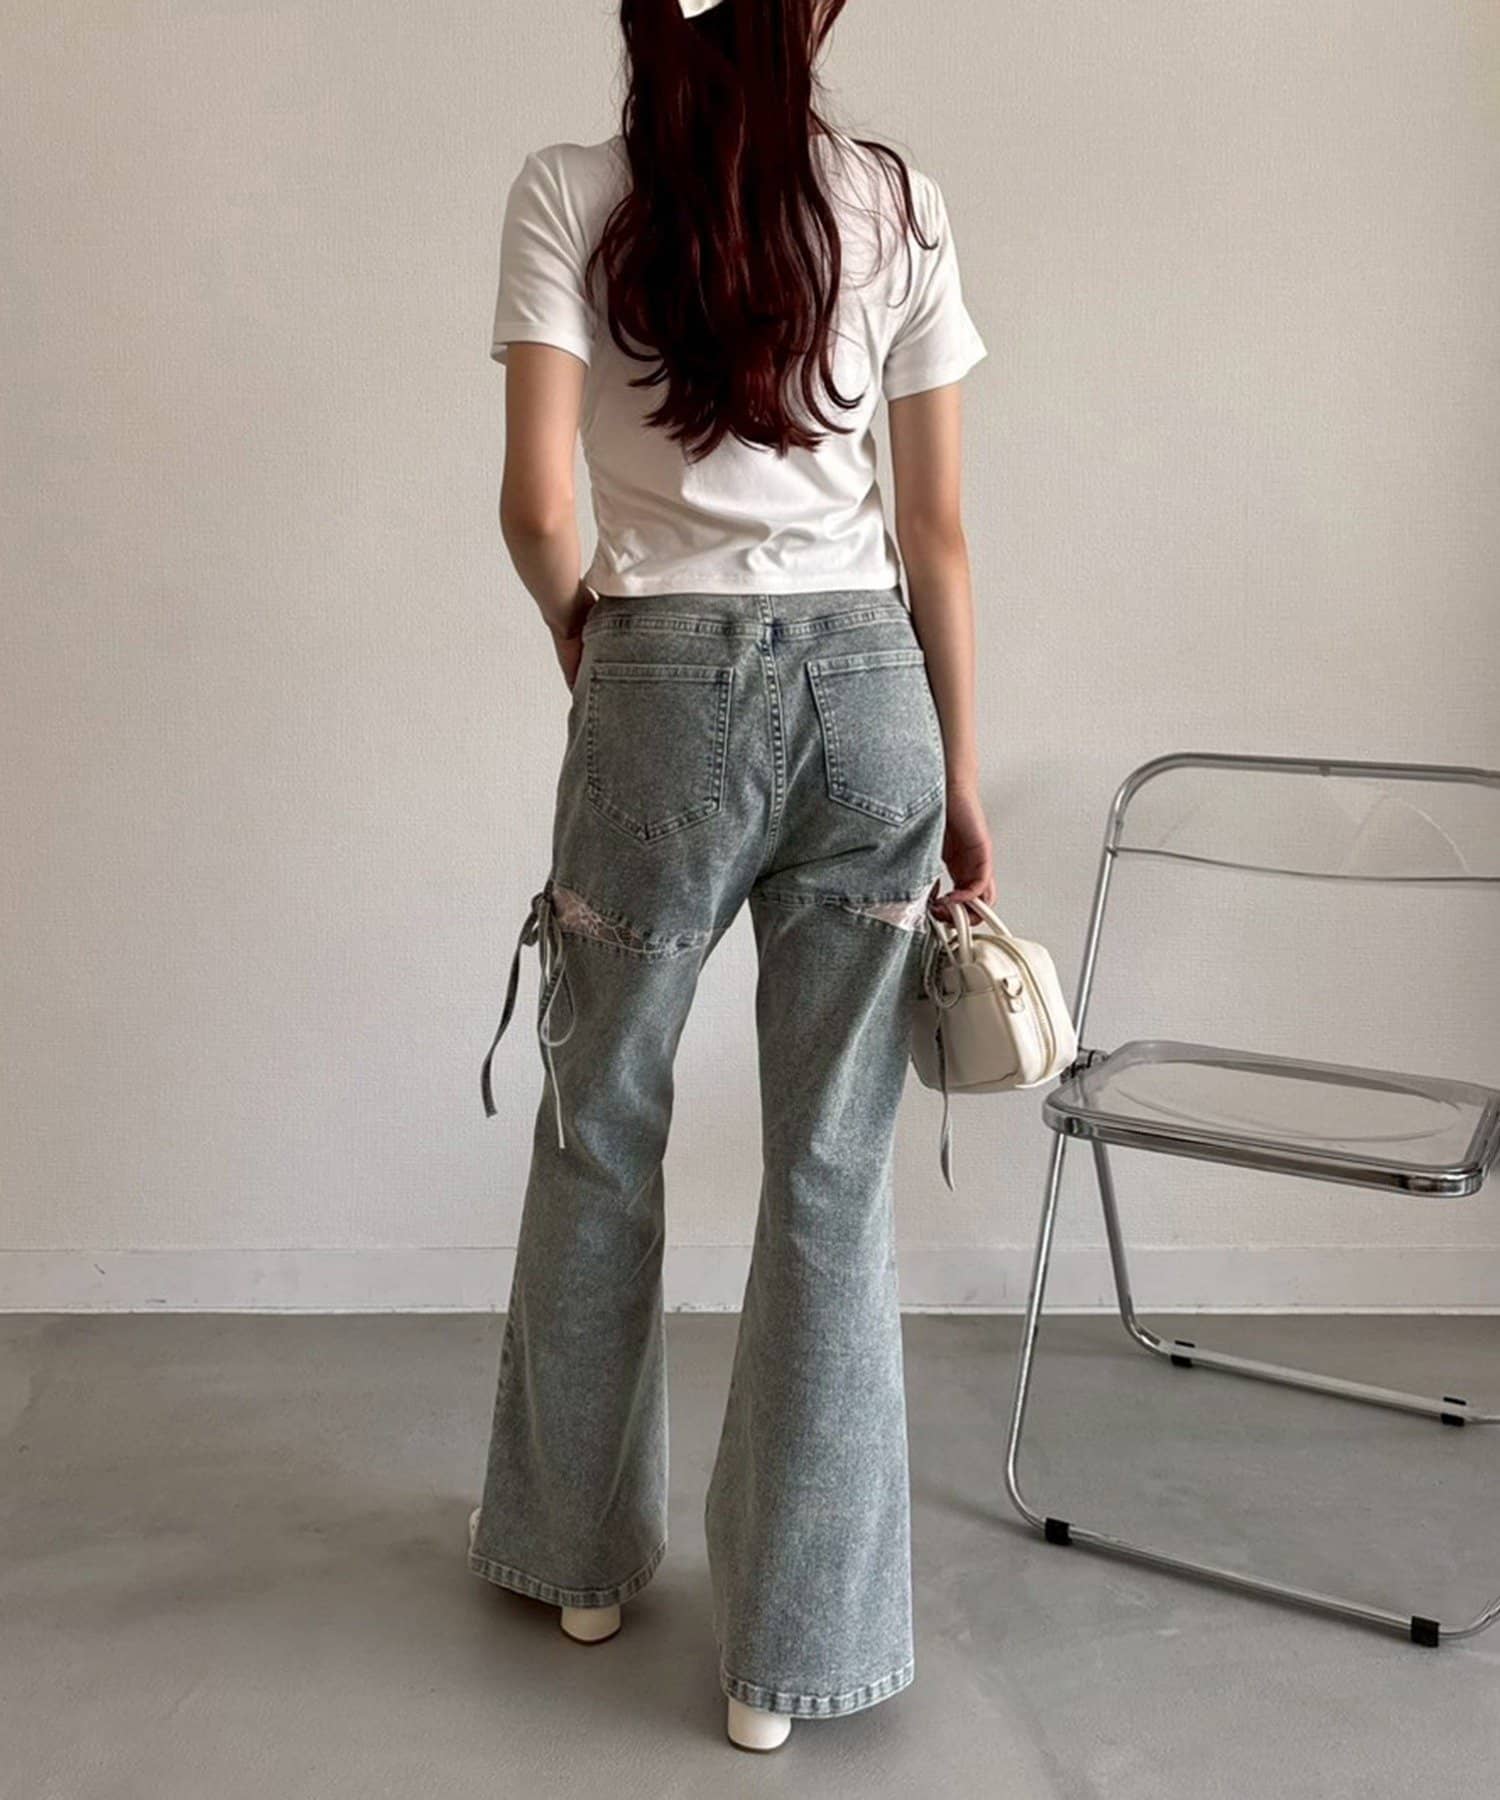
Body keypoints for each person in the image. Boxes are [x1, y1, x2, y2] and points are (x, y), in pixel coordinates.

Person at [468, 0, 995, 1754]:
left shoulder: (569, 192)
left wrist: (590, 642)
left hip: (659, 677)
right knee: (832, 1169)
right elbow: (936, 531)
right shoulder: (896, 202)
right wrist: (960, 772)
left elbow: (536, 504)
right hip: (871, 693)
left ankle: (579, 1565)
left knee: (600, 1123)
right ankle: (790, 1658)